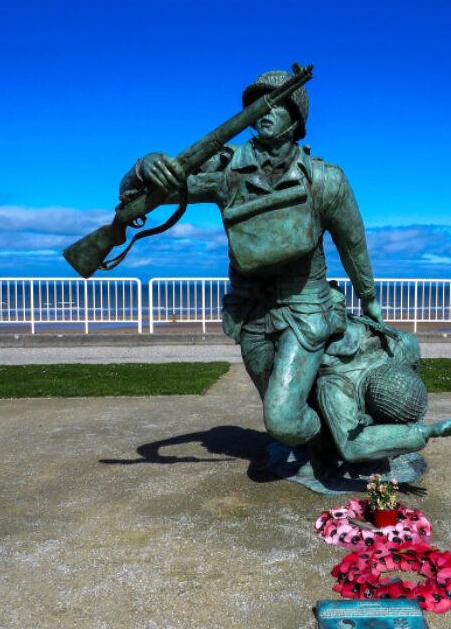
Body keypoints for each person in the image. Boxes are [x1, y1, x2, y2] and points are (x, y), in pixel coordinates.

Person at [119, 69, 383, 452]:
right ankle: (322, 444)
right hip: (250, 312)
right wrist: (143, 168)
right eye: (257, 104)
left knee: (282, 418)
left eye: (275, 104)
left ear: (296, 118)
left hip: (305, 308)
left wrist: (370, 298)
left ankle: (335, 442)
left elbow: (353, 244)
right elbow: (144, 197)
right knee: (281, 411)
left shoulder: (325, 179)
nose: (263, 112)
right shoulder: (226, 168)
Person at [314, 284, 451, 467]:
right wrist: (427, 431)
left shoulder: (335, 386)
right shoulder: (401, 346)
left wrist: (426, 431)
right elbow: (352, 446)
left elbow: (350, 446)